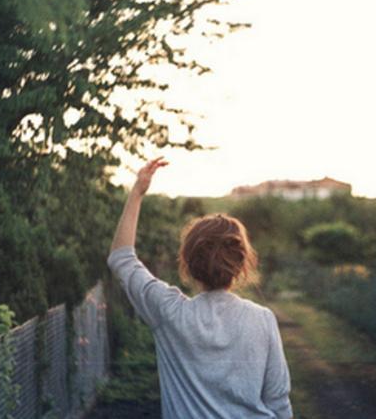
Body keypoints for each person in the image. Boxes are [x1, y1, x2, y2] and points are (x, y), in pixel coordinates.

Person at [106, 157, 293, 419]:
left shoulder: (168, 313)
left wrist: (137, 191)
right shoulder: (262, 319)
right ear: (241, 265)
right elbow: (278, 402)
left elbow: (121, 258)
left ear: (188, 263)